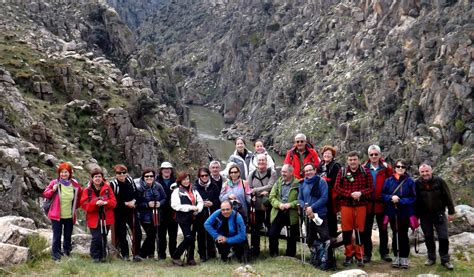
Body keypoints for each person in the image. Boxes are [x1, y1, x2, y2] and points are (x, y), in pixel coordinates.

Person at [334, 151, 373, 267]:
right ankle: (348, 255)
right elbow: (336, 188)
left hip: (361, 206)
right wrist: (350, 194)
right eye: (350, 160)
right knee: (347, 231)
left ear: (359, 160)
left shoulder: (366, 172)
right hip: (346, 205)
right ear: (347, 161)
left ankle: (359, 255)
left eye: (354, 159)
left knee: (360, 231)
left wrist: (360, 193)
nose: (352, 162)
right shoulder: (342, 172)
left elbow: (371, 188)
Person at [415, 163, 455, 270]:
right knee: (428, 237)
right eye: (422, 172)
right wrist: (415, 217)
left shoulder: (440, 181)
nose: (425, 174)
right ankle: (431, 258)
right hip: (424, 215)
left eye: (427, 171)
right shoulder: (417, 184)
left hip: (439, 214)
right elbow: (416, 201)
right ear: (419, 173)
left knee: (443, 237)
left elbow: (448, 196)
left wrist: (451, 212)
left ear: (431, 171)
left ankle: (445, 260)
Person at [43, 162, 83, 261]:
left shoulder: (74, 184)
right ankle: (56, 256)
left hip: (69, 215)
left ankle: (67, 253)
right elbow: (46, 194)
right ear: (59, 173)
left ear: (70, 173)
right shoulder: (54, 183)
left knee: (68, 236)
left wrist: (75, 207)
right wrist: (52, 190)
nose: (63, 174)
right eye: (61, 172)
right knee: (57, 236)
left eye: (66, 172)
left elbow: (79, 197)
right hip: (56, 215)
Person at [381, 159, 416, 269]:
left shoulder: (410, 182)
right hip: (392, 212)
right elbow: (383, 195)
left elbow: (413, 198)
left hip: (404, 212)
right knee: (395, 233)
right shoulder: (388, 181)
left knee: (403, 234)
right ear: (395, 168)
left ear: (406, 169)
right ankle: (397, 256)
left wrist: (400, 200)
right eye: (398, 166)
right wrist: (391, 198)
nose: (400, 168)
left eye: (403, 167)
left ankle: (404, 258)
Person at [363, 145, 393, 263]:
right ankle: (367, 254)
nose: (374, 156)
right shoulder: (364, 168)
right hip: (368, 204)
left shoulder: (387, 168)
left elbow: (393, 182)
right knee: (366, 230)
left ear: (380, 155)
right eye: (371, 154)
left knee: (383, 229)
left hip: (383, 204)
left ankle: (384, 253)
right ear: (368, 155)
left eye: (376, 154)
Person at [80, 168, 117, 262]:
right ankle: (95, 256)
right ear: (92, 178)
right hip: (93, 218)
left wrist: (105, 203)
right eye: (95, 176)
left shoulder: (107, 188)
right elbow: (84, 205)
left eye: (99, 176)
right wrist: (95, 204)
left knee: (104, 237)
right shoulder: (87, 190)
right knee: (96, 238)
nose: (98, 178)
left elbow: (114, 202)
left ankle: (102, 256)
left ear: (102, 178)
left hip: (106, 217)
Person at [247, 153, 277, 257]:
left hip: (268, 205)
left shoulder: (272, 173)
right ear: (256, 162)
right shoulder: (252, 174)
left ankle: (273, 251)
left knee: (271, 228)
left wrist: (256, 190)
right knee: (255, 229)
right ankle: (255, 251)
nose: (261, 162)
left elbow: (271, 186)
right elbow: (249, 189)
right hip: (256, 206)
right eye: (259, 160)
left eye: (263, 160)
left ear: (266, 161)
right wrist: (254, 192)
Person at [110, 164, 142, 261]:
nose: (122, 175)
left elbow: (136, 193)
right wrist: (125, 204)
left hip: (131, 211)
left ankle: (136, 254)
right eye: (119, 173)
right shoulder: (113, 184)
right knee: (122, 234)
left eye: (124, 172)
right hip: (119, 212)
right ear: (115, 174)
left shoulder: (130, 181)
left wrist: (134, 201)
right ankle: (125, 255)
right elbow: (113, 200)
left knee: (138, 232)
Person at [170, 172, 204, 266]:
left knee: (192, 238)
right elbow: (175, 206)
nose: (186, 181)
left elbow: (200, 201)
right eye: (184, 179)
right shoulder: (177, 191)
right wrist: (190, 207)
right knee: (189, 237)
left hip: (193, 217)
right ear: (180, 180)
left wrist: (198, 209)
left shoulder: (194, 190)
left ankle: (190, 258)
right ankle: (176, 256)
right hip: (182, 218)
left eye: (188, 179)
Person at [268, 164, 300, 257]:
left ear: (291, 172)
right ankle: (274, 254)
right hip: (279, 210)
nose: (282, 174)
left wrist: (290, 204)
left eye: (285, 172)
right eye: (282, 172)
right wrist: (279, 204)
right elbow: (271, 197)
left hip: (292, 212)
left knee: (291, 236)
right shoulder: (278, 183)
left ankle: (290, 255)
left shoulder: (298, 184)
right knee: (272, 233)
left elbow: (301, 199)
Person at [135, 168, 167, 260]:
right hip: (144, 216)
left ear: (154, 177)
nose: (149, 178)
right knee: (151, 235)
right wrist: (147, 205)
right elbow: (137, 203)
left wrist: (160, 203)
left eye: (151, 176)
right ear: (143, 177)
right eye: (147, 176)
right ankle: (142, 254)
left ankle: (149, 254)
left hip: (157, 214)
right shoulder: (139, 188)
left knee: (153, 234)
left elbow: (164, 198)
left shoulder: (158, 186)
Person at [298, 164, 330, 249]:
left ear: (315, 170)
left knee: (325, 237)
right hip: (308, 215)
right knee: (310, 238)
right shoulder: (302, 183)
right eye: (306, 171)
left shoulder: (322, 182)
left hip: (320, 214)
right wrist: (305, 207)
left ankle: (326, 259)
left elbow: (324, 198)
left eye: (310, 170)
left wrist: (312, 207)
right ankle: (315, 258)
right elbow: (300, 199)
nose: (308, 172)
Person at [194, 167, 221, 262]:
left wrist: (212, 203)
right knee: (200, 234)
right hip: (200, 213)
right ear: (199, 176)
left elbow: (218, 199)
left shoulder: (214, 185)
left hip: (212, 212)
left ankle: (211, 252)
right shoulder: (195, 186)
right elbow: (193, 200)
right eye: (202, 175)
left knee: (211, 232)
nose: (204, 177)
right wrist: (201, 203)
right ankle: (202, 254)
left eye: (206, 175)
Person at [316, 145, 341, 240]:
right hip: (320, 193)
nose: (326, 155)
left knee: (331, 213)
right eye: (325, 153)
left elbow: (336, 181)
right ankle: (322, 233)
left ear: (332, 155)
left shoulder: (335, 166)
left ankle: (332, 234)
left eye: (329, 154)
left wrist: (324, 181)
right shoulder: (320, 165)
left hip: (330, 194)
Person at [156, 161, 178, 260]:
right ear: (161, 170)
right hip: (161, 212)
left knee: (173, 235)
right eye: (164, 169)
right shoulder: (156, 181)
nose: (166, 170)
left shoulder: (176, 181)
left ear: (171, 170)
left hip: (173, 212)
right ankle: (161, 255)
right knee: (161, 235)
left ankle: (174, 254)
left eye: (168, 169)